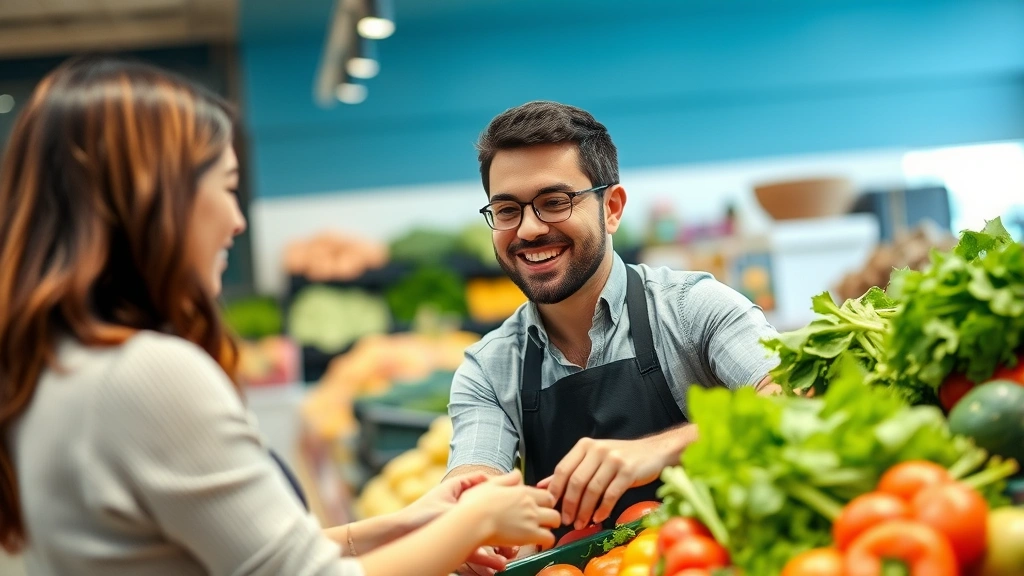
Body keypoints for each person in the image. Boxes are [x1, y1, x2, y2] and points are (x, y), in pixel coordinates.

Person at [0, 57, 558, 576]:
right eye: (225, 187)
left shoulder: (55, 365)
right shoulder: (147, 374)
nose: (237, 221)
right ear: (153, 201)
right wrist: (475, 521)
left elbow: (245, 556)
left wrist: (408, 521)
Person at [445, 101, 783, 572]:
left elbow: (792, 399)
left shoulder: (692, 308)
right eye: (507, 209)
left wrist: (661, 449)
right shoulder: (488, 368)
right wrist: (468, 523)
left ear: (612, 208)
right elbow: (474, 475)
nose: (529, 228)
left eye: (555, 202)